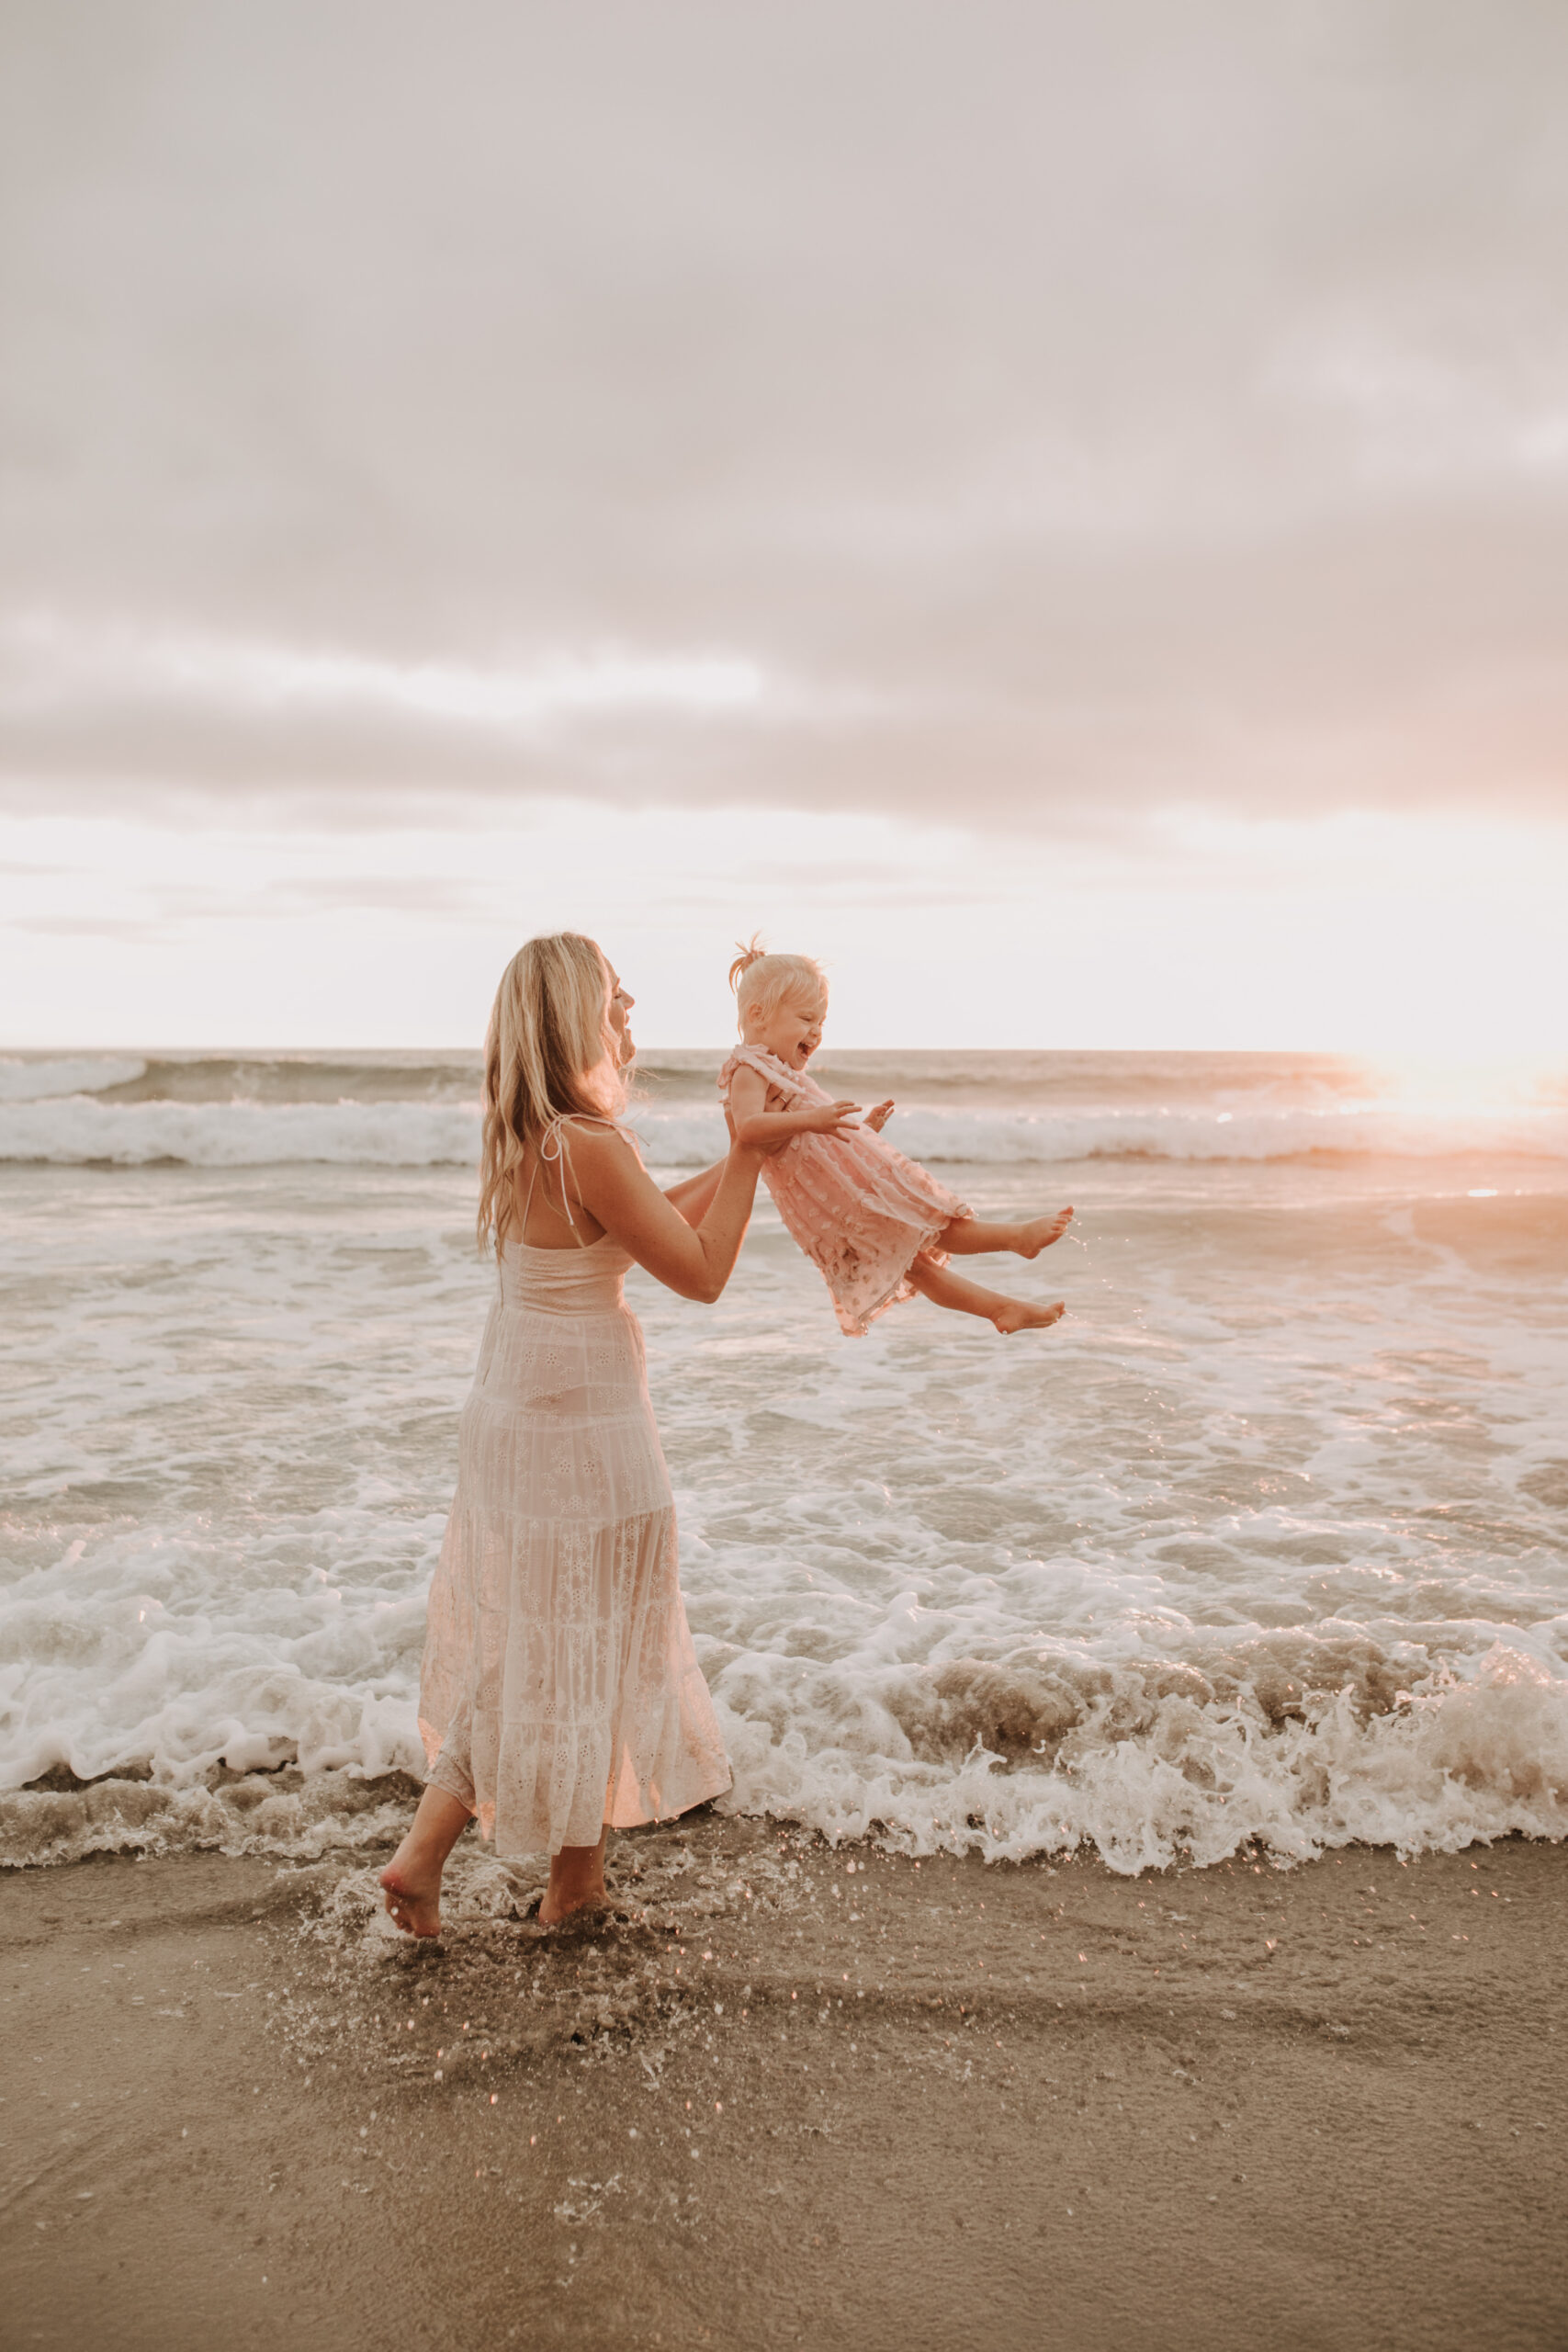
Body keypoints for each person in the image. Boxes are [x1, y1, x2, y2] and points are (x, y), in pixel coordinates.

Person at [380, 933, 768, 1935]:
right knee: (598, 1640)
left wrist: (734, 1156)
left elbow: (638, 1228)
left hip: (523, 1417)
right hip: (587, 1431)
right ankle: (571, 1881)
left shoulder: (531, 1138)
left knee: (545, 1644)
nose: (630, 1002)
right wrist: (756, 1154)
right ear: (570, 1016)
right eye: (613, 992)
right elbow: (701, 1270)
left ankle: (435, 1860)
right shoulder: (590, 1145)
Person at [719, 943, 1072, 1340]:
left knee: (916, 1260)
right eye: (806, 1018)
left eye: (822, 1021)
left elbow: (799, 1139)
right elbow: (749, 1128)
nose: (817, 1031)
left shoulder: (779, 1070)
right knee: (927, 1229)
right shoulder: (747, 1069)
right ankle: (1015, 1239)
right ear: (757, 1015)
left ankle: (999, 1308)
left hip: (840, 1192)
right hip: (833, 1203)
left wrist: (862, 1130)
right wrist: (816, 1119)